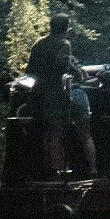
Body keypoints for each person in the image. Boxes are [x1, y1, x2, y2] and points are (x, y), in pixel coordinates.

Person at [24, 14, 95, 177]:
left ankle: (53, 172)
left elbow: (30, 71)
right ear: (66, 28)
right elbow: (62, 66)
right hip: (60, 94)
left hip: (42, 95)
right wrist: (79, 73)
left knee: (51, 134)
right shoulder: (64, 44)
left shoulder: (38, 44)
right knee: (85, 133)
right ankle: (92, 170)